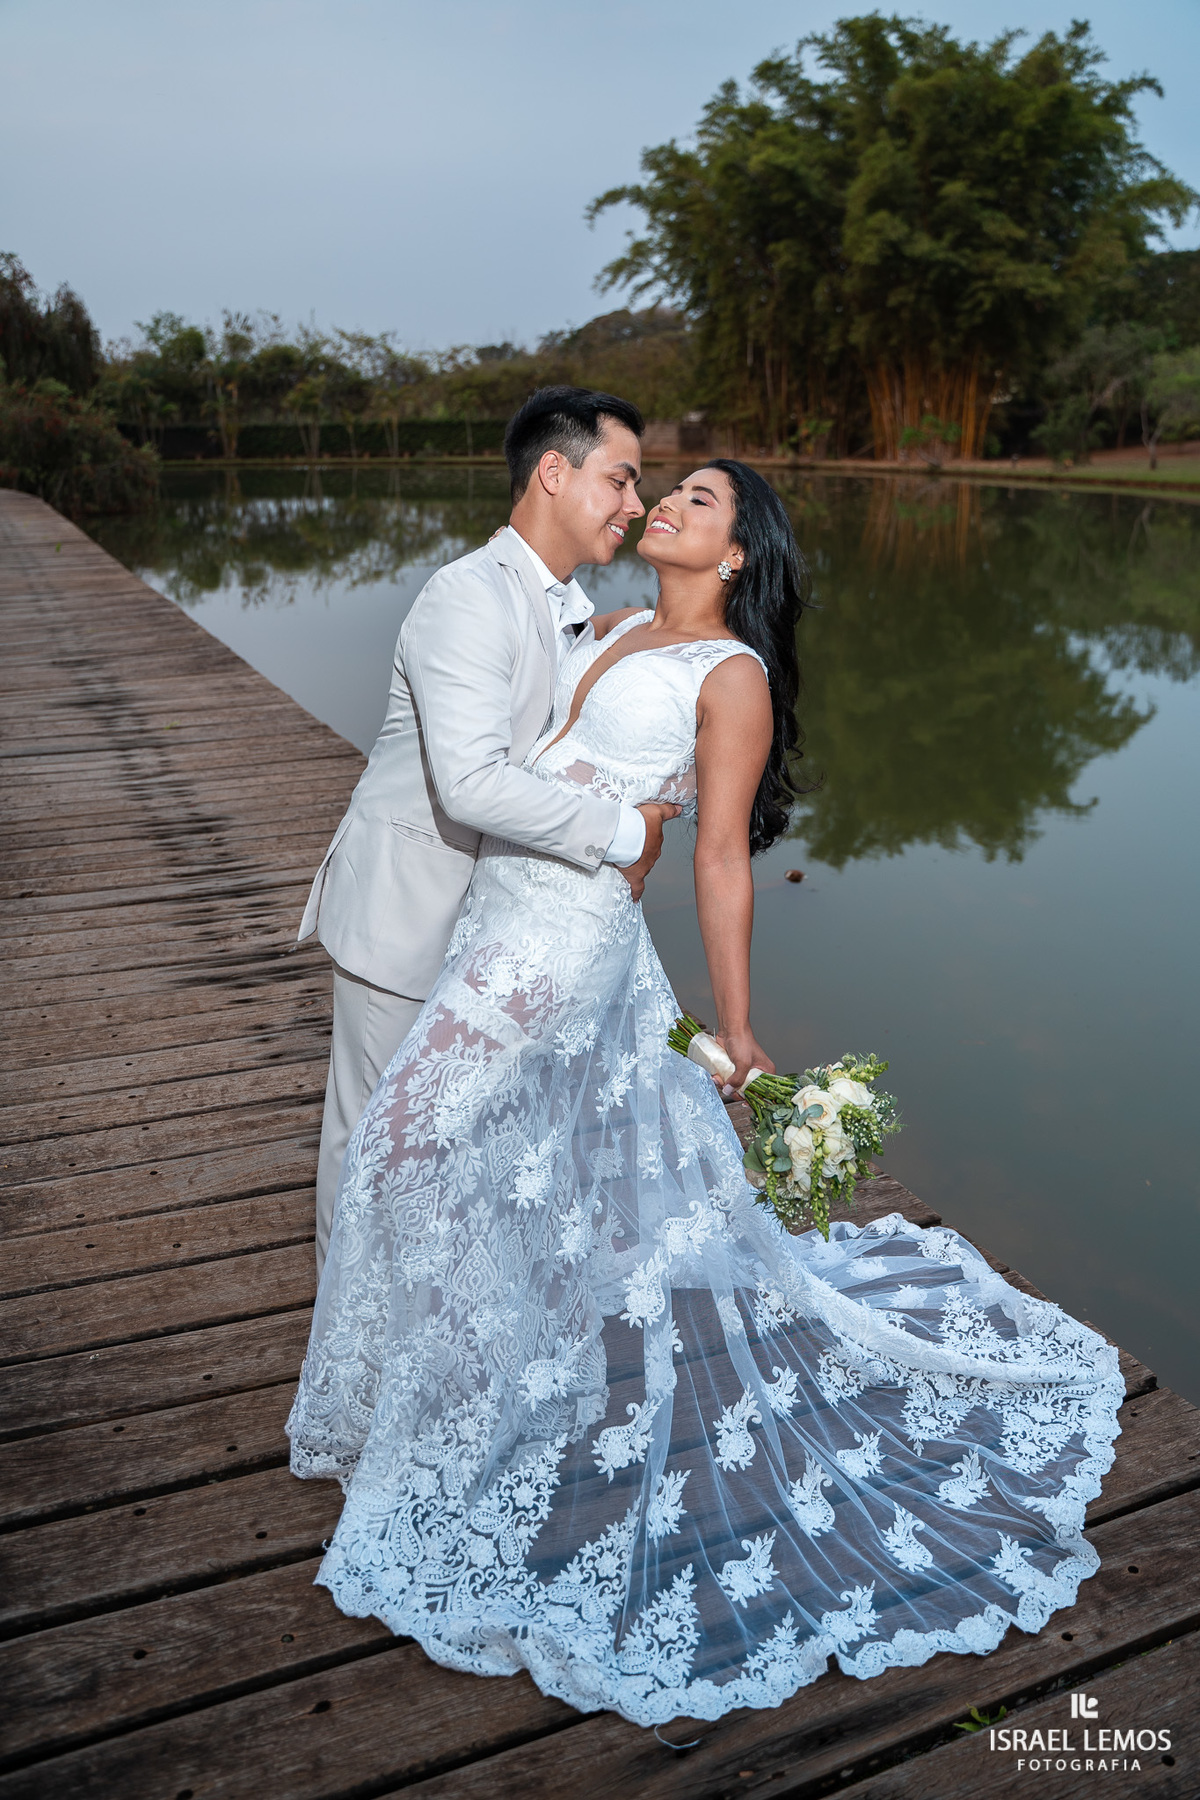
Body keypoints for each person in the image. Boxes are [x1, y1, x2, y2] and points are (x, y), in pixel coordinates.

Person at [287, 461, 1123, 1728]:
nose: (667, 504)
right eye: (664, 487)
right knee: (458, 1154)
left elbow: (721, 859)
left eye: (698, 499)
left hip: (562, 940)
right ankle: (438, 1402)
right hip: (492, 914)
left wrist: (735, 1033)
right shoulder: (615, 625)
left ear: (736, 555)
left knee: (405, 1144)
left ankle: (441, 1426)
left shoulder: (731, 679)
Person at [298, 387, 681, 1273]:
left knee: (451, 1141)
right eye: (620, 480)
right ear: (555, 472)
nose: (635, 503)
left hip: (498, 928)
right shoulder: (467, 596)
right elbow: (470, 783)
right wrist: (625, 832)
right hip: (406, 907)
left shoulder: (580, 612)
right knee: (373, 1142)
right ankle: (346, 1362)